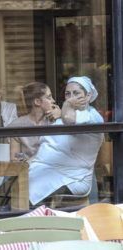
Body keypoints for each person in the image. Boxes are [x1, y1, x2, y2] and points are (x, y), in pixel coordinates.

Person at [29, 76, 104, 206]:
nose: (71, 97)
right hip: (46, 169)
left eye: (76, 93)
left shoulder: (92, 116)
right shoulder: (63, 115)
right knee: (12, 183)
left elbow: (69, 120)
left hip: (71, 177)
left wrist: (67, 105)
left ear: (88, 95)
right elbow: (48, 144)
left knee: (27, 191)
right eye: (67, 94)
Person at [9, 82, 61, 161]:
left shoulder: (55, 121)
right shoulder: (17, 125)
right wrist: (22, 160)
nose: (53, 101)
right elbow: (15, 158)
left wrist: (60, 118)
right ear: (37, 102)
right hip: (28, 170)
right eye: (49, 97)